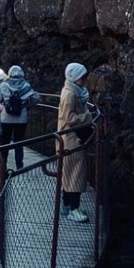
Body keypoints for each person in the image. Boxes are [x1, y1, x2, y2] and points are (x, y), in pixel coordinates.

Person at [58, 62, 94, 222]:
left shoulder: (72, 91)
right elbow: (69, 118)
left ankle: (67, 206)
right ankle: (74, 209)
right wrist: (88, 116)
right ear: (75, 77)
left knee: (69, 174)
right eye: (82, 77)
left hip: (70, 139)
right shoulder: (71, 94)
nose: (85, 79)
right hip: (72, 140)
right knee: (76, 175)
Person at [0, 65, 41, 169]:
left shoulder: (4, 85)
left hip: (6, 118)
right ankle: (19, 166)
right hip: (21, 118)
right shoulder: (26, 85)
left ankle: (3, 166)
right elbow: (34, 99)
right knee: (19, 142)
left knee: (5, 142)